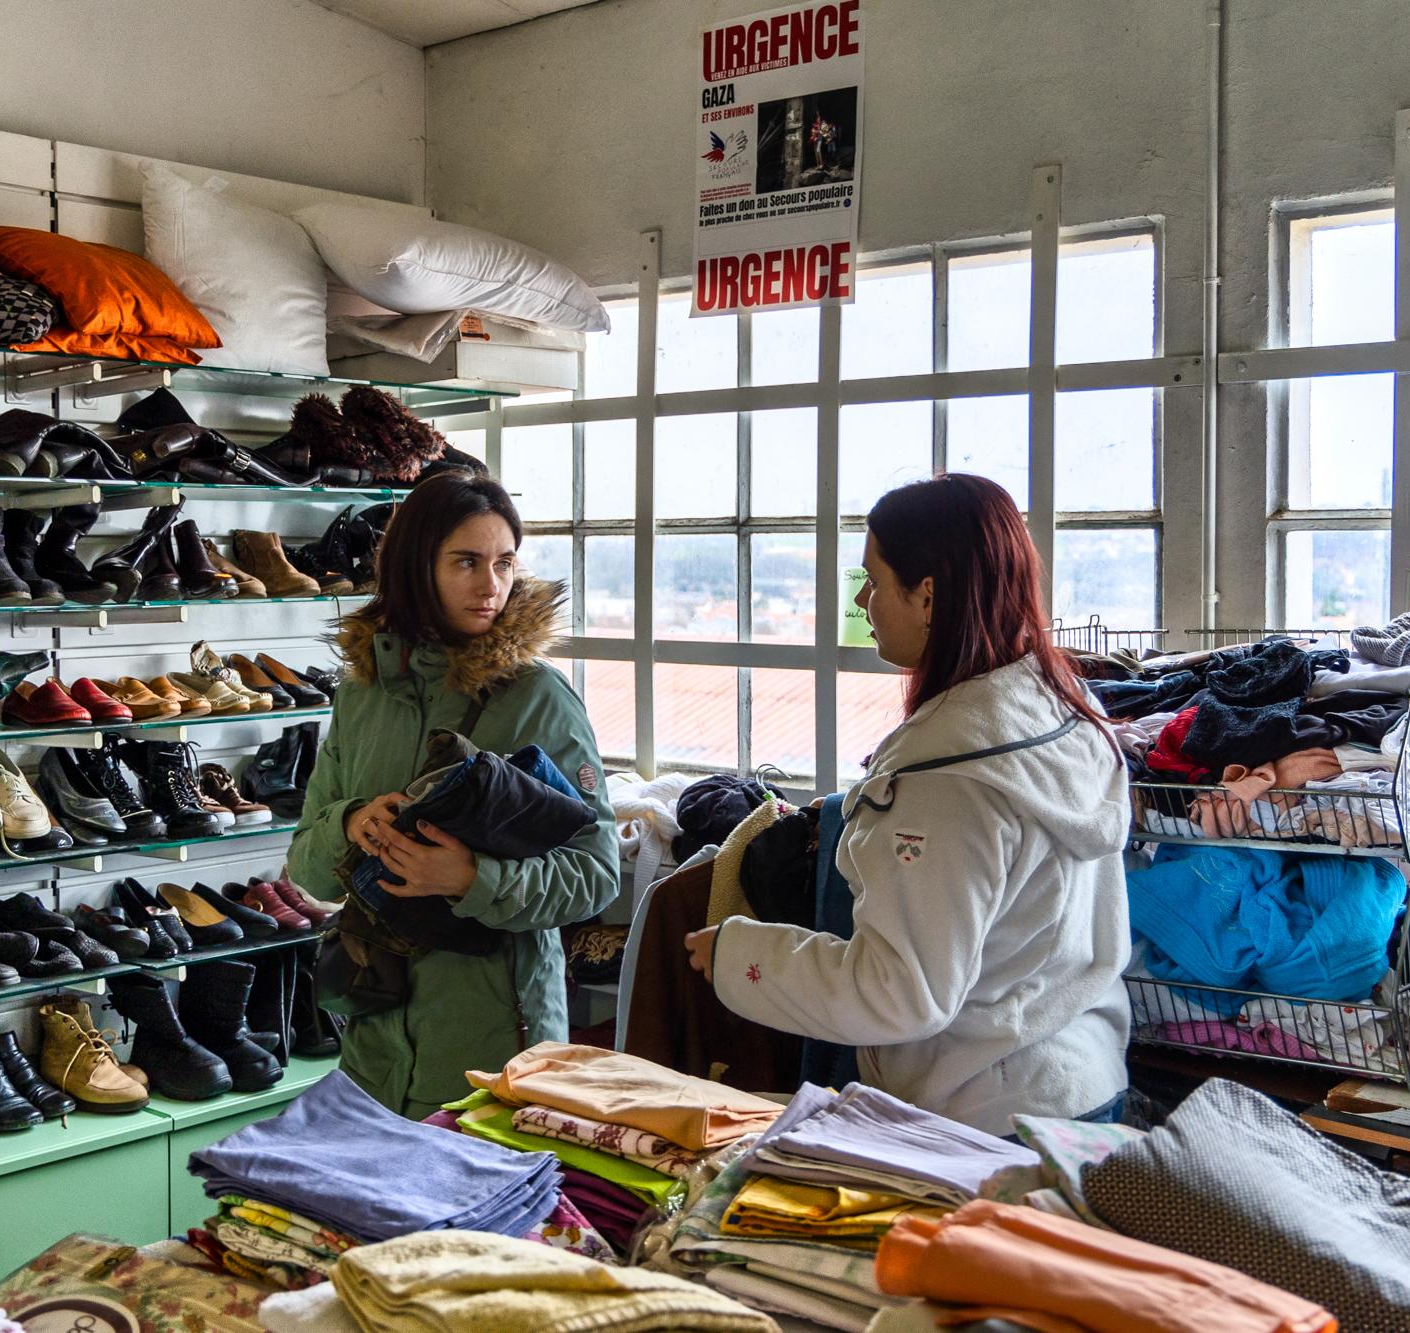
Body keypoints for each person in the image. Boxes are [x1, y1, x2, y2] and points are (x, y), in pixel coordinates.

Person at [686, 473, 1130, 1134]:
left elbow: (902, 993)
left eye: (871, 579)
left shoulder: (947, 775)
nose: (863, 599)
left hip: (987, 1113)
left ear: (927, 595)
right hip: (1085, 1084)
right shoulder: (1063, 712)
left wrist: (738, 955)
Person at [287, 470, 620, 1119]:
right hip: (373, 1051)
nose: (491, 583)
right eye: (466, 561)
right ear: (416, 565)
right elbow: (304, 867)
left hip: (496, 1051)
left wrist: (470, 877)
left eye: (503, 562)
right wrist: (351, 823)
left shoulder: (537, 699)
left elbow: (596, 872)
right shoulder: (360, 694)